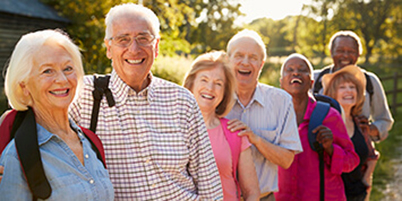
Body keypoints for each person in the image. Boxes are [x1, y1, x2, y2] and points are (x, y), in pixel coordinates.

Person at [68, 3, 223, 200]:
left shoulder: (182, 101)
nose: (134, 49)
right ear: (108, 48)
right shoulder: (81, 96)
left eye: (143, 38)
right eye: (123, 39)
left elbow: (209, 184)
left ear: (156, 46)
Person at [0, 29, 114, 200]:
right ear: (24, 86)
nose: (62, 79)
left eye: (68, 68)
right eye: (47, 71)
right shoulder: (16, 156)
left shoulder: (91, 143)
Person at [224, 29, 303, 201]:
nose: (245, 62)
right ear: (227, 60)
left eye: (253, 57)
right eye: (239, 56)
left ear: (261, 64)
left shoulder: (281, 101)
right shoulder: (213, 99)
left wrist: (256, 139)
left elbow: (287, 160)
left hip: (263, 198)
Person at [274, 53, 359, 201]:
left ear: (311, 82)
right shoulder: (271, 116)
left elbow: (351, 161)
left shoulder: (328, 115)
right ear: (281, 82)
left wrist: (330, 148)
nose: (295, 73)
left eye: (302, 70)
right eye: (290, 69)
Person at [183, 51, 260, 200]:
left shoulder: (234, 133)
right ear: (191, 84)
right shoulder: (169, 128)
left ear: (224, 92)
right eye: (204, 80)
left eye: (218, 84)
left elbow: (252, 192)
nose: (210, 88)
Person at [313, 30, 393, 142]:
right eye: (340, 51)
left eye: (351, 51)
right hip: (321, 150)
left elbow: (385, 120)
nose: (345, 55)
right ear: (331, 52)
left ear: (358, 54)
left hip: (359, 153)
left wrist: (368, 130)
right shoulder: (315, 79)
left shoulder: (370, 81)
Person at [322, 65, 379, 201]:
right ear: (332, 93)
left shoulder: (360, 124)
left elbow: (372, 155)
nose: (349, 91)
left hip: (358, 194)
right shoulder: (324, 124)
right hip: (331, 195)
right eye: (342, 87)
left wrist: (366, 182)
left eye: (352, 87)